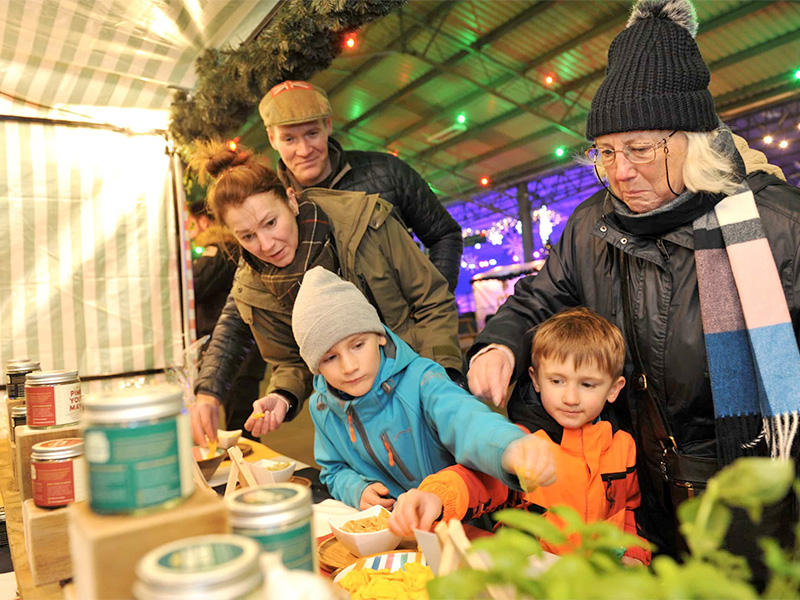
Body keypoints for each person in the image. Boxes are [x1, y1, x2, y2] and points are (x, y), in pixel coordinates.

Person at [466, 0, 800, 578]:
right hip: (638, 495)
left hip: (749, 496)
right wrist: (500, 344)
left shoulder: (775, 226)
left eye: (641, 149)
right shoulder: (591, 226)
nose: (620, 172)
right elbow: (540, 299)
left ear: (692, 140)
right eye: (606, 152)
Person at [193, 80, 464, 439]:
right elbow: (243, 314)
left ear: (328, 126)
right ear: (272, 139)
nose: (303, 149)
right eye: (289, 138)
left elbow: (441, 249)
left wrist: (432, 348)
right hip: (346, 402)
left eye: (311, 134)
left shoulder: (383, 180)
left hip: (410, 364)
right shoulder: (260, 214)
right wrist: (212, 387)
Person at [390, 308, 651, 566]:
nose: (570, 398)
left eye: (587, 384)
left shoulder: (623, 447)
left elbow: (628, 509)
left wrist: (634, 553)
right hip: (529, 578)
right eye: (557, 381)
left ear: (614, 389)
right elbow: (477, 481)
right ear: (536, 380)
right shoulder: (523, 444)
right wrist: (437, 498)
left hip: (598, 580)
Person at [291, 266, 556, 509]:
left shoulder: (422, 379)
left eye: (358, 345)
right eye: (330, 358)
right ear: (316, 367)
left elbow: (466, 420)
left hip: (457, 521)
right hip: (392, 530)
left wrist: (508, 447)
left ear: (380, 336)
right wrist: (356, 490)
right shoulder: (321, 408)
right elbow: (333, 469)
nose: (349, 367)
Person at [187, 201, 266, 438]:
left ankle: (245, 460)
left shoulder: (220, 249)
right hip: (241, 351)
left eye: (191, 224)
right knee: (242, 419)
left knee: (241, 424)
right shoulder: (233, 249)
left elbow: (194, 287)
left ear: (204, 221)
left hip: (234, 353)